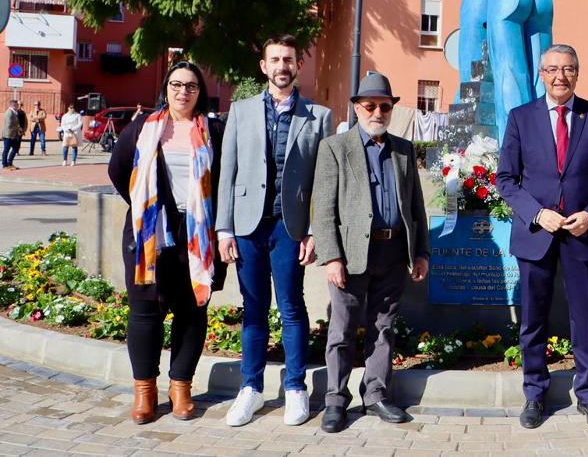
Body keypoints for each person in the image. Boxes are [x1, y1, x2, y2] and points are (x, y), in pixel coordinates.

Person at [496, 44, 588, 431]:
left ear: (577, 72)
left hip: (583, 234)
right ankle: (534, 394)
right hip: (537, 234)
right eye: (552, 69)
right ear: (541, 73)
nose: (560, 76)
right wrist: (537, 213)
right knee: (533, 319)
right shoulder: (521, 118)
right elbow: (505, 179)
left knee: (585, 318)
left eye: (568, 69)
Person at [217, 35, 333, 427]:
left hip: (290, 226)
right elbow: (227, 173)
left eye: (289, 60)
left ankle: (295, 387)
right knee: (253, 310)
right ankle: (250, 388)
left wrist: (316, 229)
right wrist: (224, 229)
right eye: (275, 60)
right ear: (264, 66)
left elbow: (325, 179)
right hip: (248, 226)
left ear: (297, 66)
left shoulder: (319, 116)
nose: (282, 66)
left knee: (292, 308)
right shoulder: (241, 110)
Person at [106, 61, 227, 425]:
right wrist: (146, 208)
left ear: (199, 92)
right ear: (166, 88)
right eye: (176, 84)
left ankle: (181, 387)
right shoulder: (144, 127)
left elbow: (224, 178)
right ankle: (145, 390)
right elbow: (118, 169)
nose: (183, 92)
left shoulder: (213, 130)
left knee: (192, 310)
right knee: (144, 311)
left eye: (191, 86)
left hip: (197, 231)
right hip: (151, 231)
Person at [310, 72, 430, 434]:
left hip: (393, 251)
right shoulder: (335, 147)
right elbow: (325, 207)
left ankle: (376, 395)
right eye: (370, 105)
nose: (378, 112)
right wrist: (331, 257)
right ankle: (335, 400)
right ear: (357, 107)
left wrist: (421, 251)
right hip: (349, 255)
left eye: (385, 106)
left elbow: (416, 206)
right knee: (342, 330)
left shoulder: (404, 149)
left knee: (384, 328)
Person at [2, 100, 20, 169]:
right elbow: (8, 125)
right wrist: (17, 128)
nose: (18, 106)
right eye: (17, 105)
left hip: (13, 134)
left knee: (15, 149)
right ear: (13, 105)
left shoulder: (14, 112)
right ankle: (4, 165)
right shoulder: (9, 113)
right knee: (6, 149)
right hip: (8, 134)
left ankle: (9, 163)